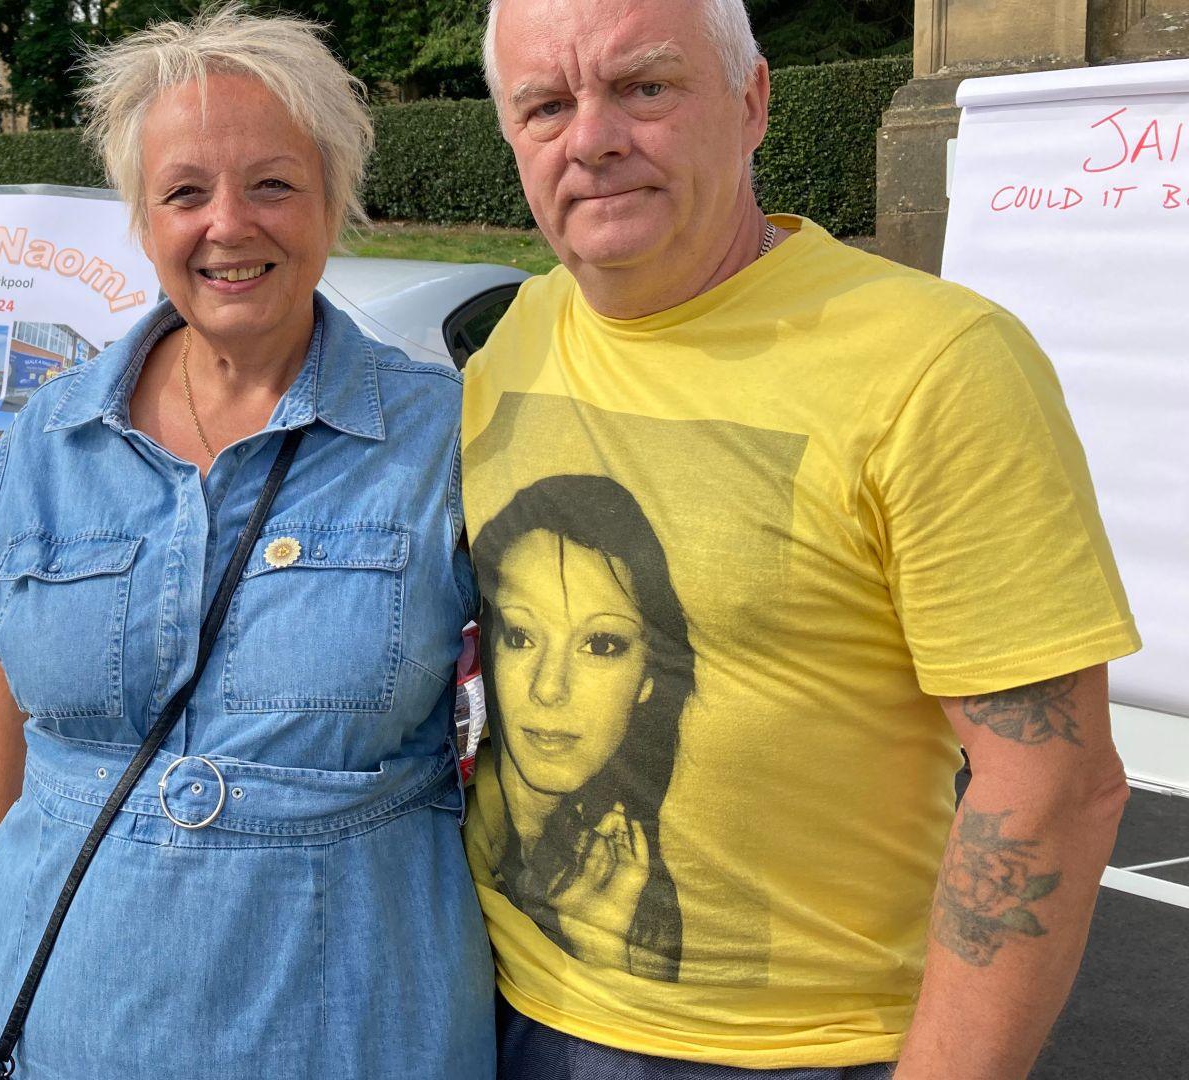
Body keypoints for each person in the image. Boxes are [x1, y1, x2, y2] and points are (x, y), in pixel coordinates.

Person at [466, 1, 1141, 1077]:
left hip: (798, 1054)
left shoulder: (938, 366)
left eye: (644, 87)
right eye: (547, 105)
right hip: (494, 1013)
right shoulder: (520, 337)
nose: (591, 139)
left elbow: (1053, 785)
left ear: (752, 102)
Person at [0, 6, 494, 1078]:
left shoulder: (448, 441)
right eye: (186, 192)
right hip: (65, 1030)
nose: (228, 225)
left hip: (356, 1032)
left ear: (334, 199)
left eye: (273, 184)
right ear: (143, 216)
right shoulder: (45, 445)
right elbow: (13, 681)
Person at [473, 473, 692, 984]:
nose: (549, 688)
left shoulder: (637, 892)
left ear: (648, 677)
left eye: (600, 645)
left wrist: (602, 951)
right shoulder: (437, 815)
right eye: (521, 635)